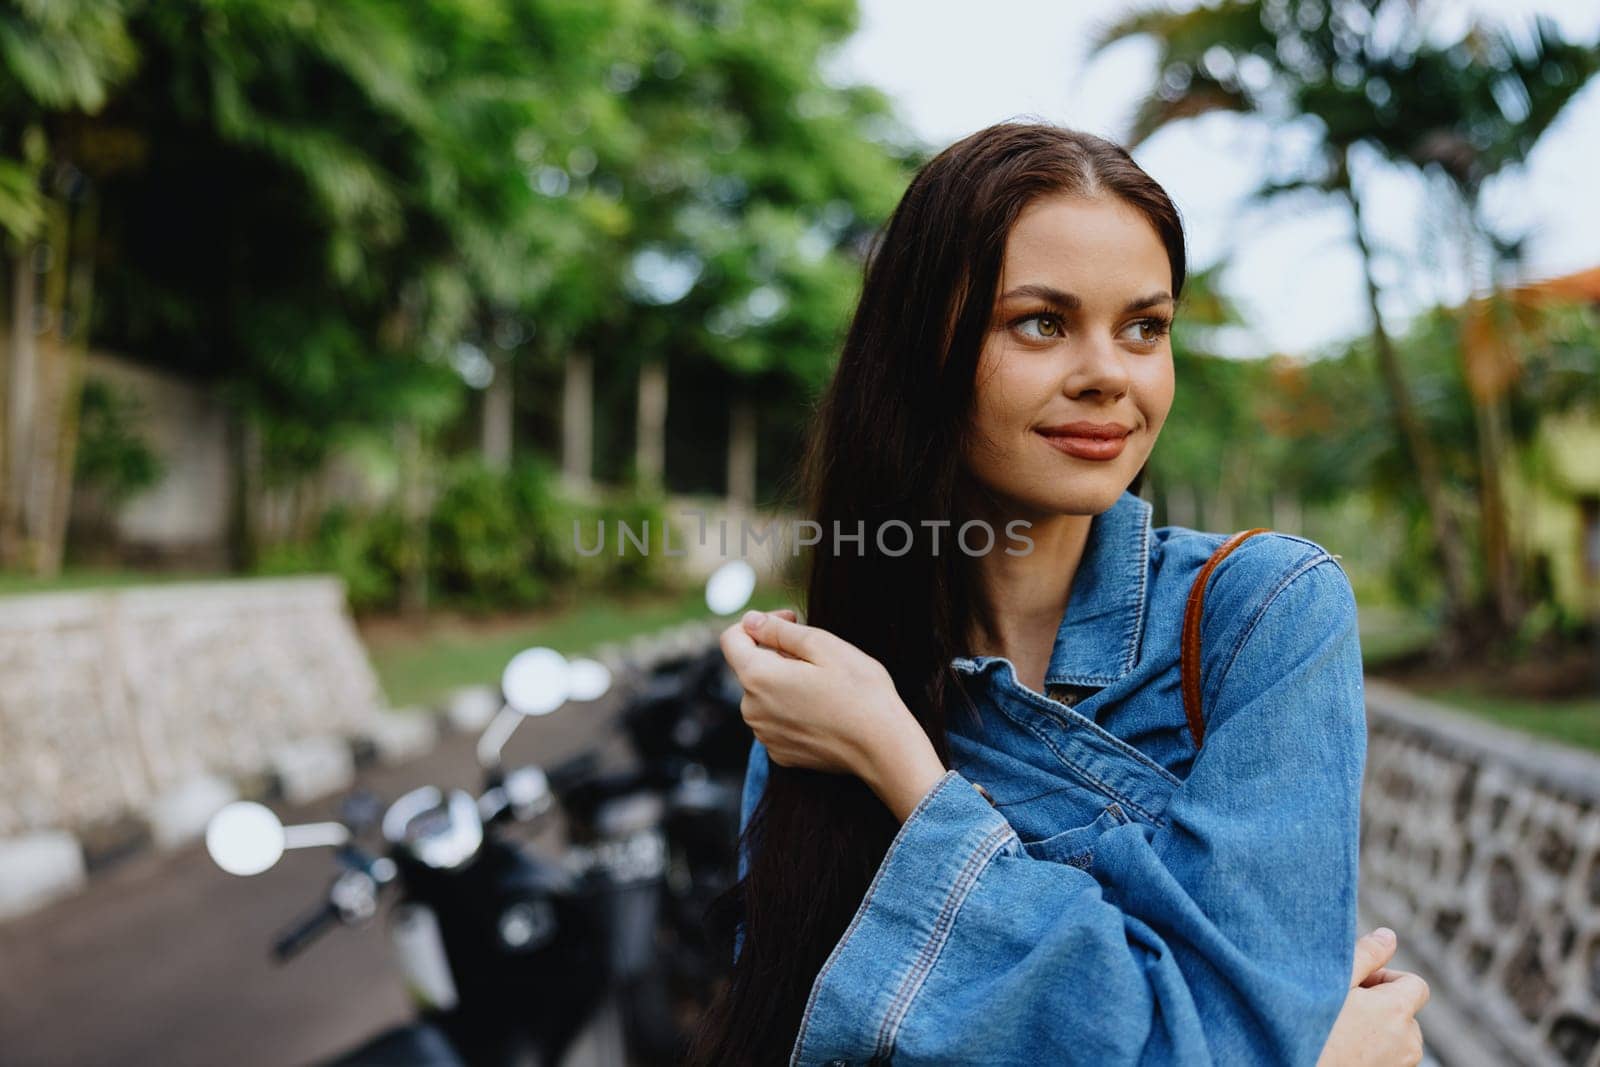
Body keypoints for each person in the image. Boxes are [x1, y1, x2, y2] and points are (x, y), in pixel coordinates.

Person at [687, 122, 1430, 1066]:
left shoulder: (1262, 613)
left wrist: (909, 777)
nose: (1108, 376)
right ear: (925, 350)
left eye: (1145, 328)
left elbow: (1231, 1040)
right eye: (1041, 321)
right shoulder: (834, 691)